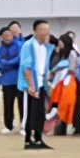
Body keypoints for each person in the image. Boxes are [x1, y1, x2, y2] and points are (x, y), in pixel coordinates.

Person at [19, 19, 55, 150]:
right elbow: (26, 68)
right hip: (30, 85)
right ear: (35, 31)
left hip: (41, 84)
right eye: (42, 30)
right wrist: (31, 85)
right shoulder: (28, 45)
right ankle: (28, 139)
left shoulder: (45, 48)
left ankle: (39, 138)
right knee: (30, 113)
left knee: (40, 113)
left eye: (47, 31)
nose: (45, 33)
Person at [0, 27, 23, 134]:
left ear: (12, 35)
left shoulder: (19, 45)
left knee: (22, 104)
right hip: (6, 80)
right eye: (5, 35)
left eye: (9, 35)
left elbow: (19, 59)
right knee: (7, 103)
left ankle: (23, 125)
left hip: (19, 79)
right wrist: (8, 64)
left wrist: (7, 63)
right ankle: (8, 126)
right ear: (2, 37)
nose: (7, 37)